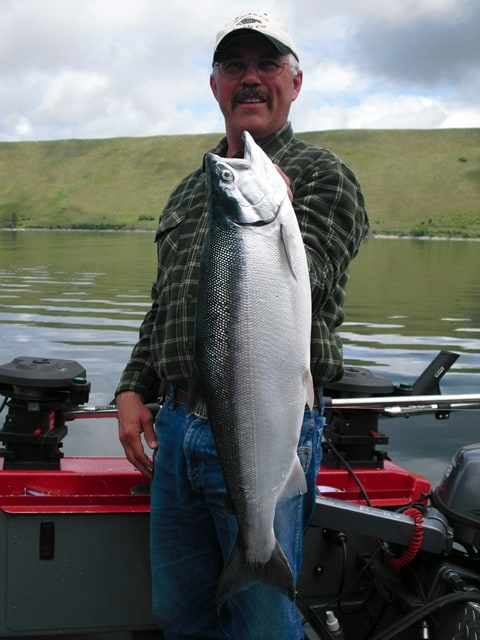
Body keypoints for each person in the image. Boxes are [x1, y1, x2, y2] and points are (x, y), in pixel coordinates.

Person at [115, 11, 369, 640]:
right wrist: (131, 386)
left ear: (295, 81)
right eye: (234, 66)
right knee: (181, 615)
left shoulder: (321, 176)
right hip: (177, 430)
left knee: (260, 623)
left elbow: (307, 280)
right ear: (215, 85)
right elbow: (165, 304)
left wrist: (274, 210)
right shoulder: (191, 189)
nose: (251, 78)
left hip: (271, 423)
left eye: (267, 64)